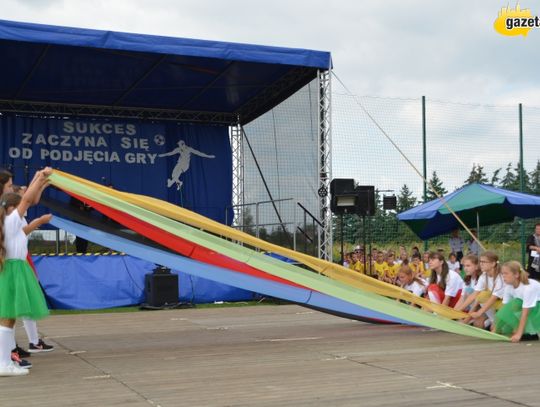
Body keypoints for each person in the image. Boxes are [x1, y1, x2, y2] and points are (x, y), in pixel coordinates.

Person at [0, 168, 52, 376]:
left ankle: (5, 362)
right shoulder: (11, 219)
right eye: (19, 206)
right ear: (12, 208)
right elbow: (28, 200)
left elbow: (23, 230)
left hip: (13, 269)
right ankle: (3, 363)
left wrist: (39, 182)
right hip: (13, 271)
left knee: (8, 319)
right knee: (7, 318)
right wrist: (39, 177)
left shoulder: (10, 224)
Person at [455, 251, 504, 329]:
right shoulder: (484, 276)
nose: (481, 264)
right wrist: (458, 310)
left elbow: (493, 298)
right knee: (481, 296)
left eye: (484, 262)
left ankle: (495, 321)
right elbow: (474, 295)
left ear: (493, 264)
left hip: (506, 304)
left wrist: (479, 313)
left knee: (497, 329)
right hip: (496, 303)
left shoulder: (500, 277)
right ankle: (492, 320)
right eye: (480, 261)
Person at [495, 261, 540, 342]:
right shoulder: (508, 287)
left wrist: (519, 334)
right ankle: (525, 331)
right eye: (502, 274)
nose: (503, 276)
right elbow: (504, 309)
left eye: (506, 273)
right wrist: (496, 328)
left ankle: (531, 332)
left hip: (536, 310)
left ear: (516, 275)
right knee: (514, 304)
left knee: (517, 303)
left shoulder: (528, 288)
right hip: (531, 310)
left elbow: (525, 312)